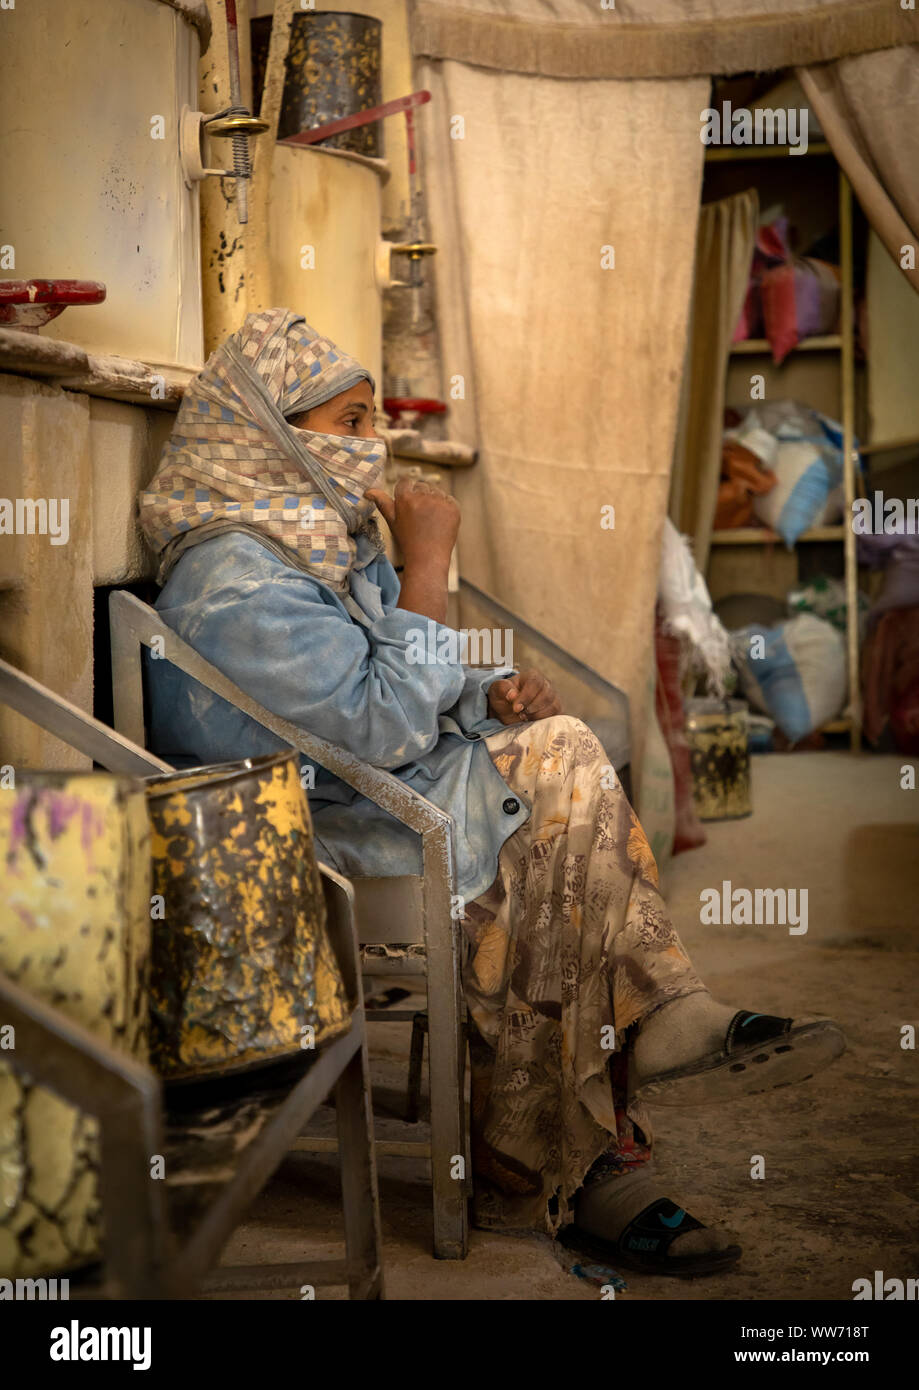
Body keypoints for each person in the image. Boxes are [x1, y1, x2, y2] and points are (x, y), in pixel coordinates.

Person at [138, 309, 845, 1277]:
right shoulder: (236, 578)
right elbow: (382, 719)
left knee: (555, 769)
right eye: (347, 424)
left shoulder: (297, 543)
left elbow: (383, 684)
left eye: (372, 422)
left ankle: (588, 1138)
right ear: (269, 429)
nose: (371, 447)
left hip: (373, 794)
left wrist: (486, 692)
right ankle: (603, 1112)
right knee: (555, 781)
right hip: (307, 836)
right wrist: (427, 563)